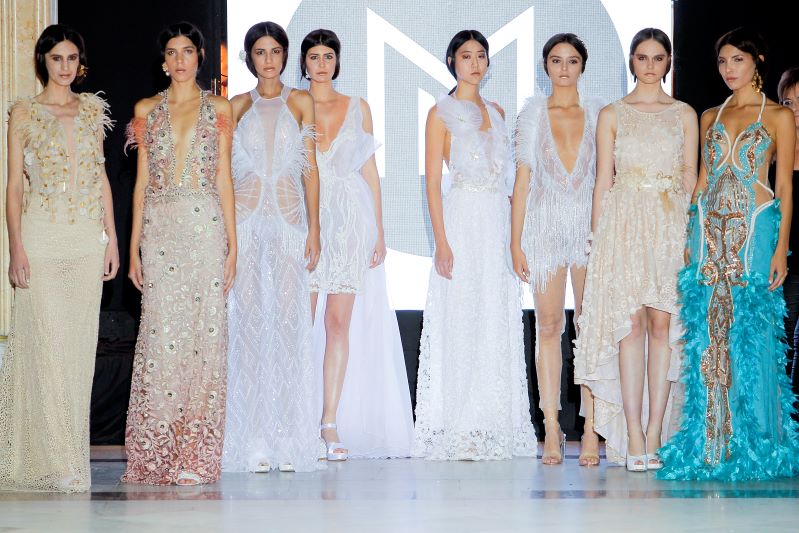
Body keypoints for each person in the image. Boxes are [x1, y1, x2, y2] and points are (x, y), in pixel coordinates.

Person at [658, 28, 799, 481]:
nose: (728, 69)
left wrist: (781, 249)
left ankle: (754, 440)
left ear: (758, 61)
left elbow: (784, 185)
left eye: (737, 59)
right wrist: (689, 233)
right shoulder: (709, 116)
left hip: (756, 229)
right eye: (722, 61)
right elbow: (703, 180)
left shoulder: (779, 116)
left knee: (749, 328)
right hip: (708, 232)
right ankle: (710, 439)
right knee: (708, 329)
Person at [0, 24, 118, 493]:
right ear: (43, 62)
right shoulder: (23, 113)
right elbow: (14, 186)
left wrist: (111, 239)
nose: (65, 67)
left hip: (86, 240)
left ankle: (68, 457)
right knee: (46, 347)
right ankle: (52, 460)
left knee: (77, 353)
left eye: (72, 58)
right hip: (42, 236)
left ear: (80, 62)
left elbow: (101, 177)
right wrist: (16, 247)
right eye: (56, 59)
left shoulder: (92, 110)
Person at [574, 28, 698, 471]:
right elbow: (601, 182)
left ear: (668, 62)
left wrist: (691, 234)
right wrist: (597, 241)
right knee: (629, 327)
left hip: (669, 223)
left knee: (663, 325)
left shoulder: (684, 113)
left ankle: (656, 430)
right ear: (631, 61)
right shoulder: (612, 113)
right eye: (642, 57)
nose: (650, 65)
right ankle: (633, 433)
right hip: (623, 225)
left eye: (658, 57)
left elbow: (690, 176)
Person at [412, 30, 537, 460]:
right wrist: (441, 242)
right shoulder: (439, 114)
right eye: (466, 56)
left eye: (481, 56)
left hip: (496, 223)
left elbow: (511, 181)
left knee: (493, 318)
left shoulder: (497, 111)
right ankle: (461, 425)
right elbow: (432, 183)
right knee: (462, 317)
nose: (475, 63)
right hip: (462, 218)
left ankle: (493, 421)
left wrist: (515, 237)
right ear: (452, 61)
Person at [122, 21, 236, 486]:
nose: (180, 59)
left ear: (199, 56)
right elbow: (141, 184)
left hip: (205, 226)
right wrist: (134, 250)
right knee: (161, 339)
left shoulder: (221, 109)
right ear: (164, 61)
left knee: (205, 339)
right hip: (161, 230)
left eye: (187, 50)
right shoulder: (146, 110)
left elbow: (224, 178)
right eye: (172, 52)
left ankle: (195, 453)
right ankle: (156, 450)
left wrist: (233, 246)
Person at [303, 29, 413, 459]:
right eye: (315, 56)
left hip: (350, 220)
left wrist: (379, 230)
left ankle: (329, 423)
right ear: (304, 62)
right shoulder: (295, 105)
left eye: (328, 56)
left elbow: (369, 170)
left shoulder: (357, 106)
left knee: (337, 323)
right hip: (308, 219)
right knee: (301, 322)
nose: (322, 64)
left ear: (337, 61)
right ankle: (297, 418)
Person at [222, 21, 322, 473]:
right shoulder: (235, 106)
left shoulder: (300, 102)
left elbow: (309, 170)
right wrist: (227, 235)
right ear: (249, 57)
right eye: (260, 52)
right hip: (244, 223)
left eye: (276, 51)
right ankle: (251, 436)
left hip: (288, 224)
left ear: (285, 55)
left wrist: (315, 229)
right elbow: (223, 175)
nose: (268, 59)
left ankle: (285, 435)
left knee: (287, 321)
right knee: (246, 322)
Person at [511, 33, 604, 466]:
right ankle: (551, 427)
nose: (564, 68)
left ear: (582, 66)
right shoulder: (532, 115)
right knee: (548, 325)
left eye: (571, 61)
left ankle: (591, 428)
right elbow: (523, 181)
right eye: (555, 60)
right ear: (545, 66)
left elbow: (607, 177)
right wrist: (515, 242)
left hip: (588, 230)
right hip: (544, 229)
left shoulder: (599, 113)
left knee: (589, 327)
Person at [776, 66, 799, 396]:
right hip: (785, 260)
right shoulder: (771, 153)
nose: (795, 110)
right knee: (786, 343)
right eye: (789, 102)